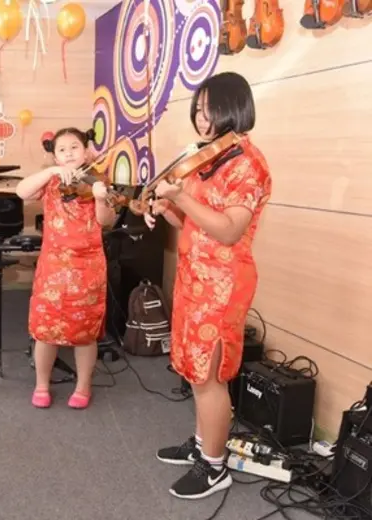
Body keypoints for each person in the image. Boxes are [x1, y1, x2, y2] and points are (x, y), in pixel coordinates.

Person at [147, 71, 272, 500]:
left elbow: (229, 230)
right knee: (195, 370)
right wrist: (166, 209)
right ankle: (203, 446)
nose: (201, 121)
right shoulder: (210, 158)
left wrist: (180, 197)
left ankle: (215, 467)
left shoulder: (247, 163)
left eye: (208, 111)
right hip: (194, 276)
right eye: (197, 112)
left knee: (210, 377)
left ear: (233, 106)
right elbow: (195, 221)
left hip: (223, 283)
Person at [15, 128, 117, 410]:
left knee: (85, 332)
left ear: (86, 151)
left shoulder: (99, 181)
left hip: (88, 266)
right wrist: (51, 172)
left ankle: (83, 387)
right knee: (45, 328)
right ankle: (41, 384)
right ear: (55, 154)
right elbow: (21, 191)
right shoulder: (50, 181)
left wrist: (99, 197)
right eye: (62, 149)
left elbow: (106, 221)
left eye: (75, 147)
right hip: (53, 265)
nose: (69, 153)